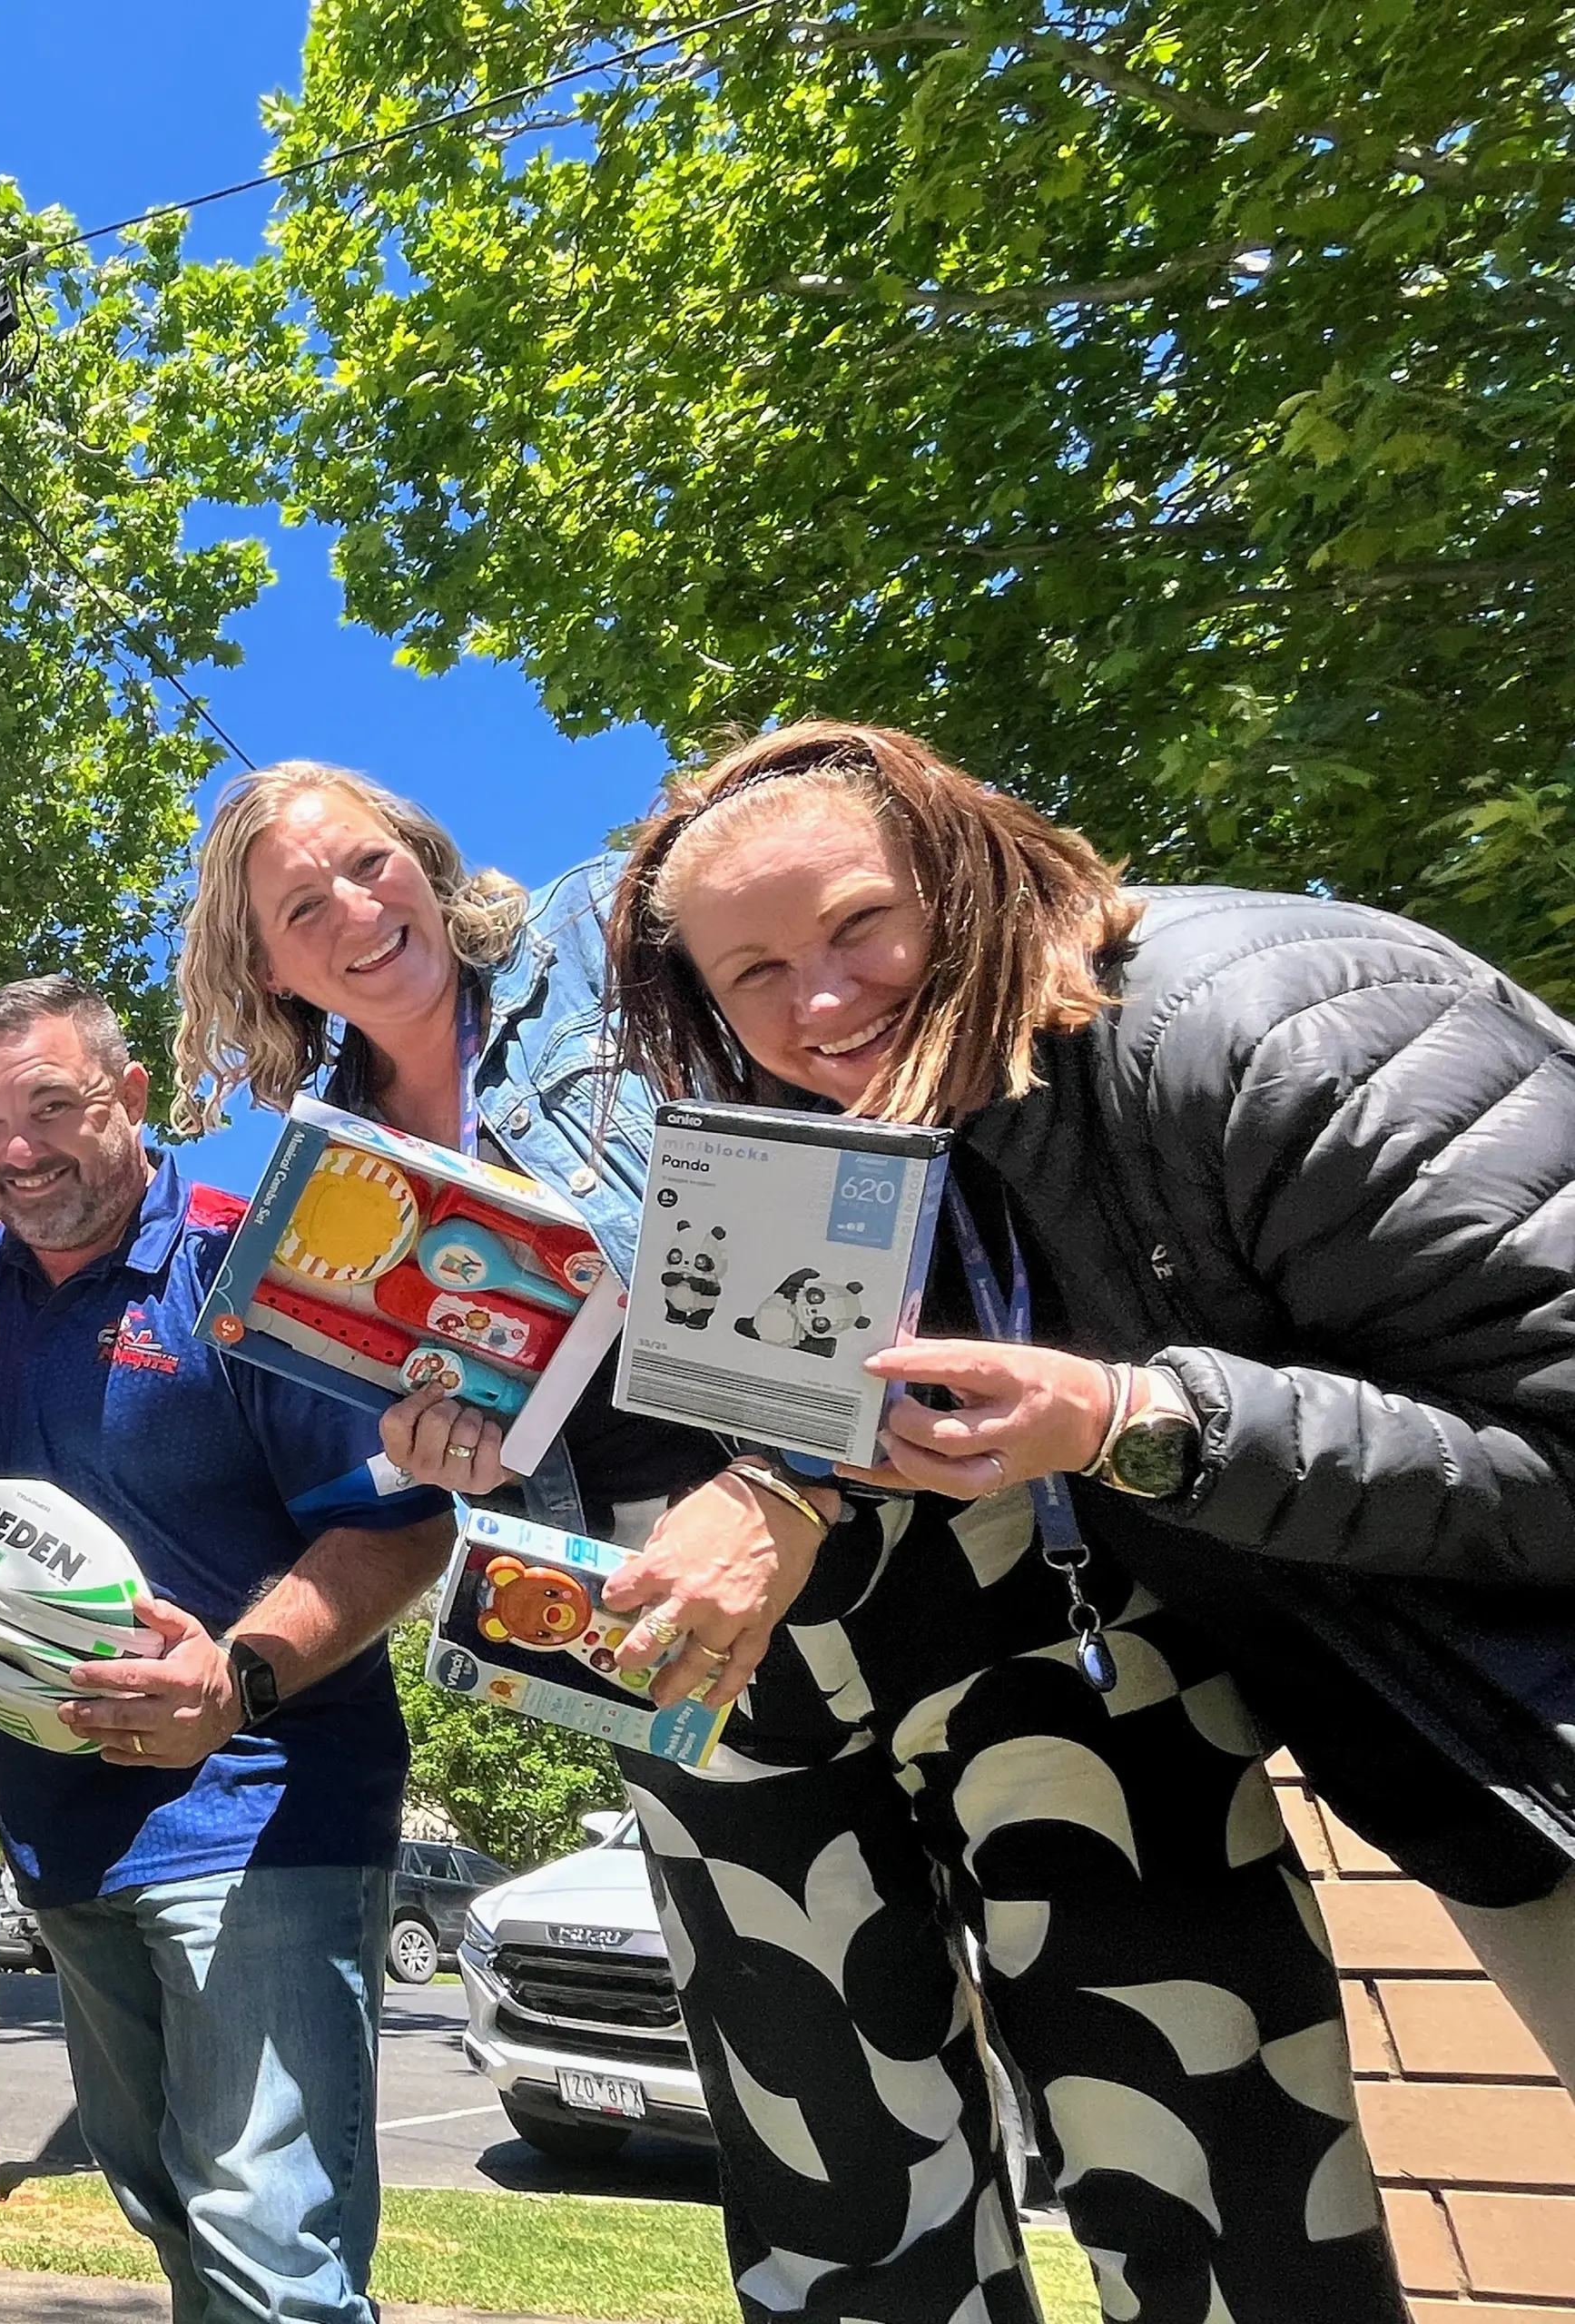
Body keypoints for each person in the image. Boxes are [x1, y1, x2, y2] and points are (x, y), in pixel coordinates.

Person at [569, 720, 1555, 2324]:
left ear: (966, 870)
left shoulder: (1263, 1026)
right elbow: (778, 1433)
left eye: (858, 926)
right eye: (754, 975)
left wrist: (1133, 1424)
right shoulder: (811, 1150)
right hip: (1449, 1745)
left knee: (1232, 2202)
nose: (821, 1005)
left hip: (1463, 1709)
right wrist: (771, 1481)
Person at [0, 974, 456, 2324]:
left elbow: (402, 1532)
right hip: (56, 1823)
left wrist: (238, 1674)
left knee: (271, 2242)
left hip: (263, 1809)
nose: (18, 1149)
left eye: (53, 1104)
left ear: (134, 1094)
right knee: (165, 2199)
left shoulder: (249, 1270)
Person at [172, 759, 727, 1539]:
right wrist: (460, 1455)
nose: (360, 911)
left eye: (370, 863)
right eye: (303, 909)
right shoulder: (327, 1192)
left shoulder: (595, 931)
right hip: (630, 1557)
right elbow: (471, 1415)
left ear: (419, 859)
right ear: (271, 972)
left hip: (825, 1474)